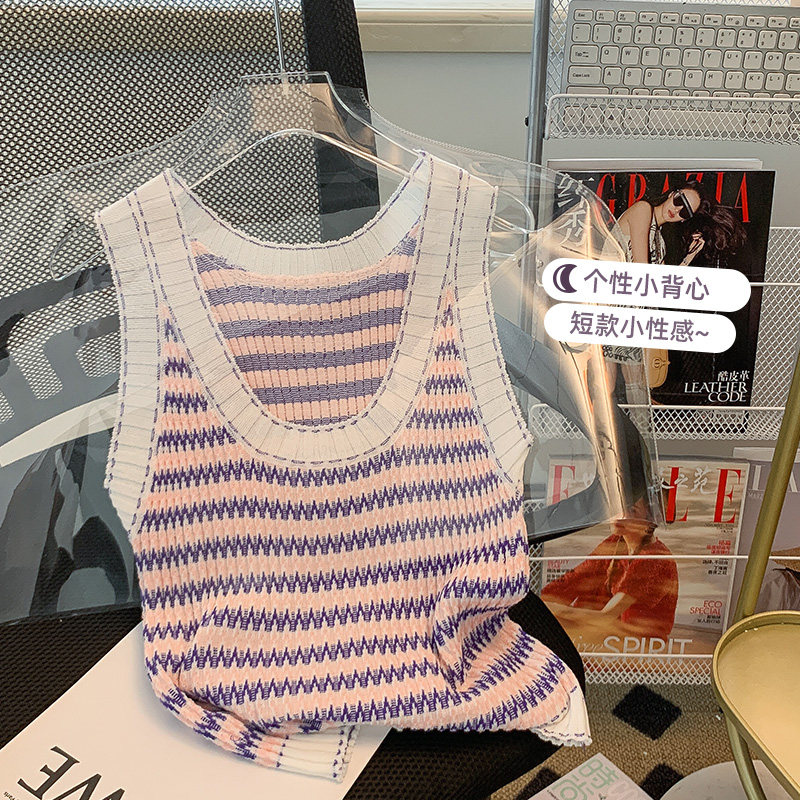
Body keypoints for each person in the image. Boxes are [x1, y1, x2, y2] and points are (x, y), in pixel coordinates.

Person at [540, 498, 679, 648]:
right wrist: (540, 604)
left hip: (637, 652)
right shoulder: (615, 542)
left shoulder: (654, 558)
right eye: (617, 505)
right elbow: (573, 581)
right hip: (610, 642)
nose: (620, 515)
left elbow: (605, 617)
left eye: (631, 510)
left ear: (649, 519)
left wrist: (551, 610)